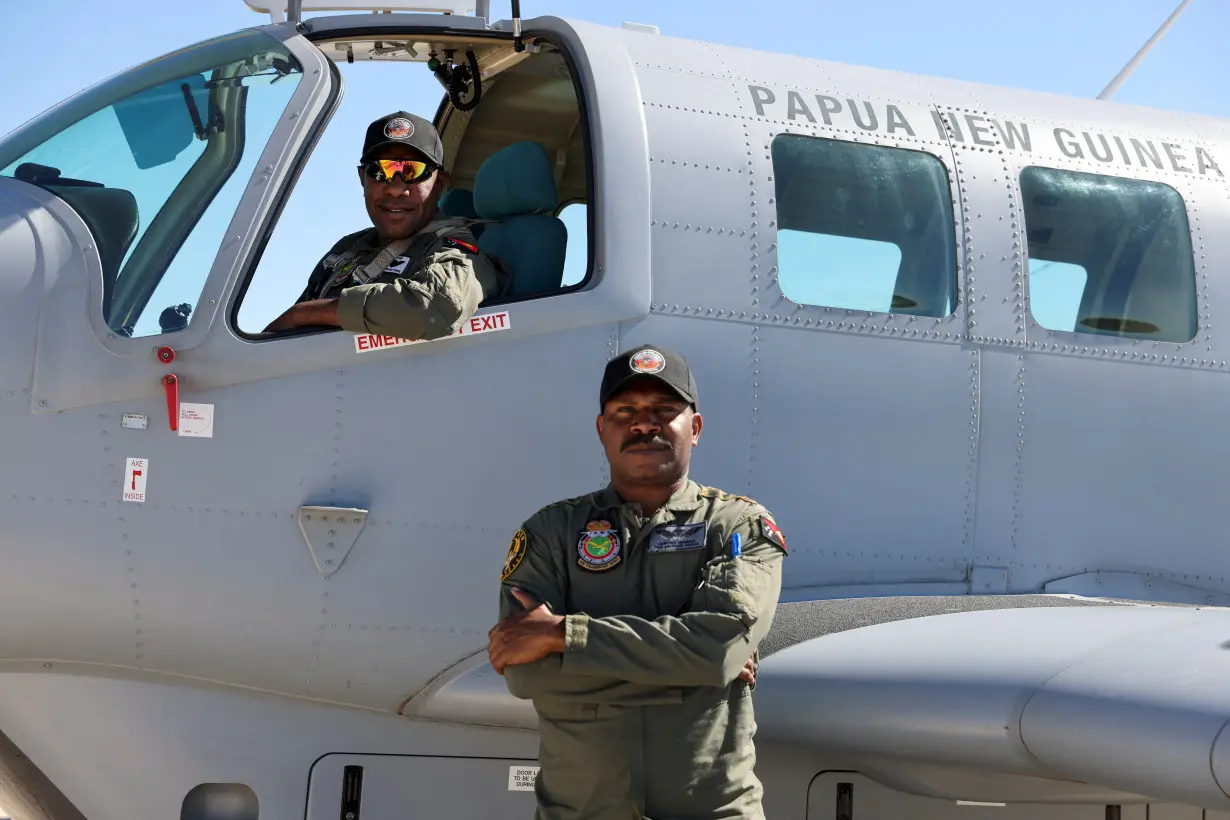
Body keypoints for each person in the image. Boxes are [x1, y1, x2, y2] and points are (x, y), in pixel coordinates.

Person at [488, 344, 788, 820]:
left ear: (696, 427)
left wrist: (564, 636)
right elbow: (527, 675)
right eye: (625, 411)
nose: (644, 423)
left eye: (664, 410)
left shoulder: (736, 525)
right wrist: (689, 673)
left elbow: (716, 650)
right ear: (601, 429)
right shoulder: (550, 532)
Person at [263, 111, 508, 338]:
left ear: (440, 184)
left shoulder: (452, 247)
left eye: (412, 171)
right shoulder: (347, 249)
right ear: (363, 179)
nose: (395, 188)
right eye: (381, 171)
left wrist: (304, 314)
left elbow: (435, 306)